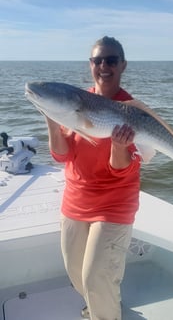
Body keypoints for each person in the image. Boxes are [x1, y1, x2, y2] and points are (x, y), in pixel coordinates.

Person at [45, 36, 141, 320]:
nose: (104, 66)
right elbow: (62, 155)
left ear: (123, 65)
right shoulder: (73, 102)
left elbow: (121, 169)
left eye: (111, 60)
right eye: (97, 60)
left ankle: (105, 313)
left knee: (96, 277)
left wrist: (119, 146)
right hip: (75, 201)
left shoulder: (132, 110)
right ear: (90, 65)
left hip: (115, 204)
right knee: (76, 272)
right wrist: (51, 118)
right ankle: (101, 309)